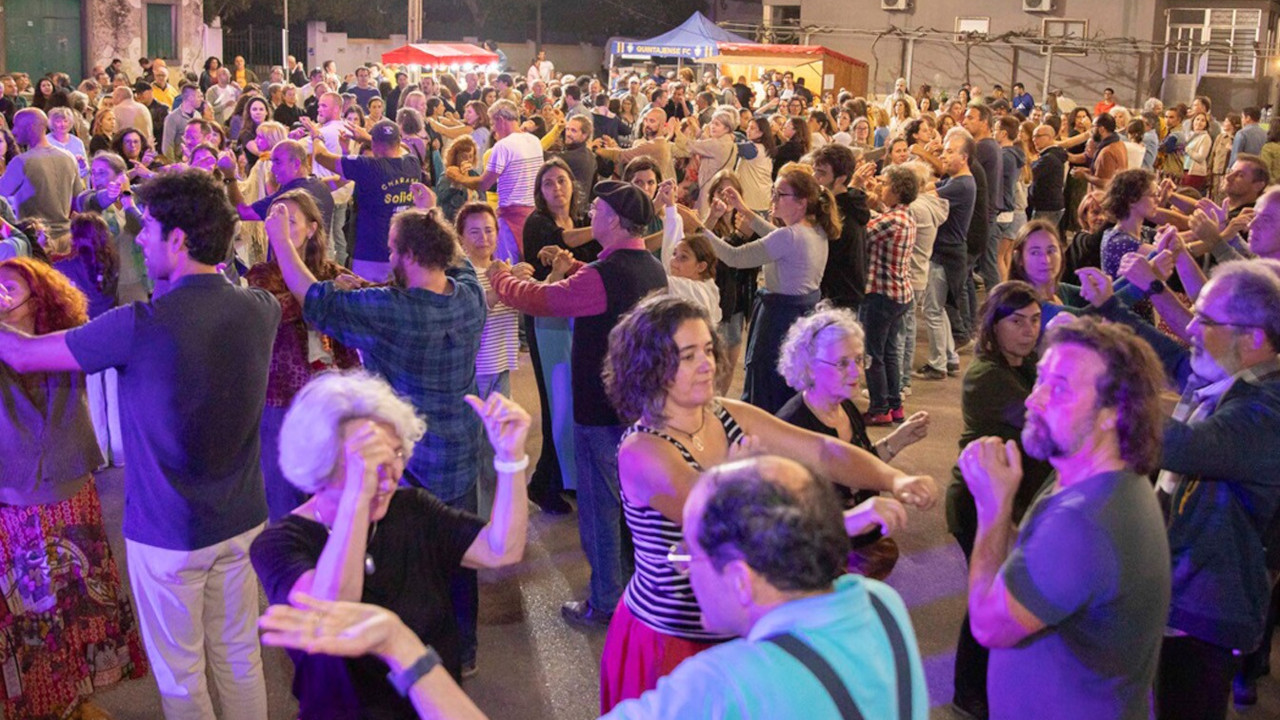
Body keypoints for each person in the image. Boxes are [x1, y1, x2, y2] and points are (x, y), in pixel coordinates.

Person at [261, 455, 931, 720]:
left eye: (694, 554)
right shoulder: (880, 605)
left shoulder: (724, 687)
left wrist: (399, 644)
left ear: (743, 577)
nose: (681, 567)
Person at [0, 169, 278, 718]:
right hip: (244, 520)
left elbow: (25, 355)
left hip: (168, 532)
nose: (141, 239)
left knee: (182, 675)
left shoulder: (138, 323)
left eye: (149, 228)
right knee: (240, 655)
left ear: (179, 239)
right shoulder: (261, 308)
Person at [597, 294, 936, 710]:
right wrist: (842, 521)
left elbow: (824, 452)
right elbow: (719, 527)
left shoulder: (726, 413)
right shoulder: (642, 450)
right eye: (687, 356)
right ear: (649, 367)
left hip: (741, 623)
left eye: (707, 349)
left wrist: (894, 477)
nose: (706, 363)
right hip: (671, 638)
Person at [266, 190, 490, 673]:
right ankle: (465, 649)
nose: (389, 256)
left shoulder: (391, 308)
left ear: (409, 255)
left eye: (393, 249)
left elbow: (312, 297)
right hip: (463, 447)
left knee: (410, 560)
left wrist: (282, 241)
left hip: (412, 458)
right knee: (461, 552)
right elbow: (459, 267)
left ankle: (412, 657)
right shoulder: (470, 294)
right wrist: (431, 213)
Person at [250, 370, 530, 716]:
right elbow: (333, 611)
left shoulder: (412, 509)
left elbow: (503, 548)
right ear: (320, 463)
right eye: (367, 462)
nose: (389, 474)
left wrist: (510, 459)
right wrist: (358, 496)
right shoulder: (279, 544)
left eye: (396, 454)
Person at [959, 315, 1171, 720]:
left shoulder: (1086, 523)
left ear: (1113, 412)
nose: (1032, 399)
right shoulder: (1087, 480)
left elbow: (988, 623)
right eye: (1040, 379)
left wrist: (993, 507)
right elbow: (1032, 562)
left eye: (1058, 388)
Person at [488, 180, 668, 628]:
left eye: (598, 209)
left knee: (600, 510)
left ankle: (606, 601)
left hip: (600, 406)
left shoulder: (602, 275)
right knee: (633, 508)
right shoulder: (652, 268)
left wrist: (501, 277)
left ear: (612, 219)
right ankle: (633, 589)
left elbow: (543, 300)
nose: (592, 215)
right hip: (639, 406)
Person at [0, 257, 149, 720]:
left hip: (69, 502)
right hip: (14, 507)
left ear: (38, 302)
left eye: (9, 288)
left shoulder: (65, 345)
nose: (0, 295)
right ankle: (43, 706)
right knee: (31, 618)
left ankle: (78, 699)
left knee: (78, 610)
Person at [1151, 261, 1280, 720]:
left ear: (1255, 338)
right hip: (1188, 594)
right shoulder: (1231, 383)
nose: (1190, 327)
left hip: (1206, 611)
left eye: (1205, 320)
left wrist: (1102, 392)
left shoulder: (1267, 410)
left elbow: (1189, 447)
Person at [938, 281, 1051, 717]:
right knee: (986, 598)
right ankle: (968, 693)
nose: (1028, 330)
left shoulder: (1029, 364)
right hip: (977, 503)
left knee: (999, 595)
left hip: (1010, 501)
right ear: (993, 326)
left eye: (1035, 320)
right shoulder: (986, 376)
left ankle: (984, 687)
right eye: (1017, 322)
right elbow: (1043, 429)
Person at [775, 303, 931, 567]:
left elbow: (858, 466)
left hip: (862, 543)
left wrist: (898, 440)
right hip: (821, 560)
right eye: (842, 363)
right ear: (810, 367)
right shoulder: (793, 428)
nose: (856, 372)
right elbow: (793, 521)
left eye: (859, 360)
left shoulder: (846, 407)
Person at [247, 190, 358, 522]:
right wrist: (329, 296)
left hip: (333, 395)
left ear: (312, 229)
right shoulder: (262, 274)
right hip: (282, 397)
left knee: (335, 492)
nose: (279, 226)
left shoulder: (331, 272)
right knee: (285, 499)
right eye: (275, 220)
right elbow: (276, 309)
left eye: (289, 220)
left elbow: (370, 296)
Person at [698, 166, 836, 413]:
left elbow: (735, 257)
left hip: (779, 319)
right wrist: (744, 210)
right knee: (787, 382)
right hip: (802, 315)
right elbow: (776, 237)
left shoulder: (790, 236)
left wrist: (700, 230)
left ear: (801, 203)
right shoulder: (814, 230)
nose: (773, 199)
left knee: (766, 380)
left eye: (780, 194)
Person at [454, 202, 521, 510]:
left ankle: (493, 513)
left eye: (489, 230)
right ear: (461, 237)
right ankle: (478, 521)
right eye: (475, 232)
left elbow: (526, 304)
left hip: (501, 366)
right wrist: (506, 283)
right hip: (475, 370)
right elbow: (474, 314)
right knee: (477, 446)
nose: (484, 238)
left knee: (496, 444)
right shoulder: (460, 276)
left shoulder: (501, 268)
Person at [309, 119, 422, 281]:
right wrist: (367, 137)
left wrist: (317, 136)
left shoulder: (368, 166)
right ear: (398, 141)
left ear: (374, 144)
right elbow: (403, 149)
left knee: (367, 301)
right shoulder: (413, 164)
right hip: (403, 253)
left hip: (369, 254)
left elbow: (320, 156)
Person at [450, 101, 541, 263]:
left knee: (506, 267)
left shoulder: (503, 146)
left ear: (501, 119)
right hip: (534, 215)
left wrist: (459, 177)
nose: (493, 129)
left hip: (511, 216)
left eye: (493, 123)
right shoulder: (534, 141)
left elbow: (484, 183)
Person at [0, 108, 84, 253]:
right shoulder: (69, 157)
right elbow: (77, 201)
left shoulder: (22, 162)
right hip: (66, 240)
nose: (13, 131)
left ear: (31, 127)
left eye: (17, 126)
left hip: (38, 242)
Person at [810, 143, 869, 313]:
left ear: (841, 178)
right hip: (840, 296)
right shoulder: (850, 204)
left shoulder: (840, 213)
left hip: (838, 300)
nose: (815, 177)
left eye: (821, 173)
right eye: (814, 170)